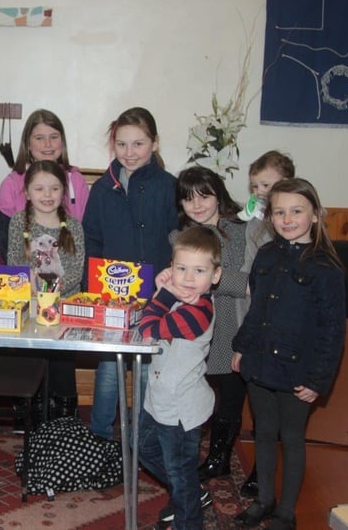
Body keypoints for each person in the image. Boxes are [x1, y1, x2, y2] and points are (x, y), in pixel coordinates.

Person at [232, 179, 346, 530]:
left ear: (314, 215)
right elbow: (255, 311)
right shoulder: (266, 256)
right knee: (264, 433)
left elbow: (333, 330)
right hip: (260, 363)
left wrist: (318, 380)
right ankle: (264, 499)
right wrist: (240, 347)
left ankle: (286, 511)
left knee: (291, 438)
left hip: (298, 372)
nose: (287, 218)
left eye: (297, 211)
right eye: (279, 211)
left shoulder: (326, 267)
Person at [83, 107, 178, 440]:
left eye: (138, 144)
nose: (129, 152)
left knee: (145, 370)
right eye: (122, 145)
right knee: (109, 370)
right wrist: (90, 288)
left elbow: (178, 239)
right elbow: (91, 238)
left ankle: (138, 435)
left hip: (155, 296)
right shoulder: (102, 189)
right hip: (110, 296)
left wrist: (171, 282)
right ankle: (100, 435)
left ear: (154, 144)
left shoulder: (169, 186)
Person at [137, 226, 222, 530]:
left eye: (198, 270)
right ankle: (191, 490)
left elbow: (147, 328)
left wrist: (164, 291)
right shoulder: (180, 297)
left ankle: (189, 519)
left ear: (215, 275)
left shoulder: (199, 311)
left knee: (180, 471)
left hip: (182, 410)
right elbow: (152, 316)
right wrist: (164, 288)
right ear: (170, 267)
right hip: (158, 400)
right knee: (144, 449)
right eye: (181, 268)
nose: (188, 278)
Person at [170, 167, 248, 483]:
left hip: (235, 321)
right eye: (188, 199)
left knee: (231, 392)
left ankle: (220, 457)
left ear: (219, 193)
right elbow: (187, 282)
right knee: (194, 389)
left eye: (205, 195)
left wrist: (212, 278)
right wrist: (212, 277)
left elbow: (247, 283)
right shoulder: (180, 236)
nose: (197, 204)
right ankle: (192, 451)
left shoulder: (240, 230)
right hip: (197, 323)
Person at [7, 160, 84, 420]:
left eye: (54, 188)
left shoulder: (73, 226)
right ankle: (30, 412)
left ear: (64, 191)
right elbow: (15, 266)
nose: (47, 195)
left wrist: (50, 298)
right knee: (29, 358)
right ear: (27, 192)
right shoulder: (19, 222)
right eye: (39, 189)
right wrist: (36, 296)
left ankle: (64, 416)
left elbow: (76, 271)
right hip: (29, 305)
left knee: (62, 362)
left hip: (64, 307)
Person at [237, 150, 295, 498]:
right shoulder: (255, 219)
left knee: (276, 408)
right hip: (253, 310)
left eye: (267, 184)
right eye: (255, 184)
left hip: (281, 318)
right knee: (256, 397)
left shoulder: (291, 222)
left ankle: (267, 471)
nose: (260, 190)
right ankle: (260, 468)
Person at [0, 109, 89, 263]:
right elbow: (1, 242)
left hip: (68, 271)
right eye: (39, 138)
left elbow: (88, 235)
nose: (47, 144)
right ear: (28, 144)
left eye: (54, 137)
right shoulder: (12, 184)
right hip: (24, 274)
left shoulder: (76, 181)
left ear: (62, 142)